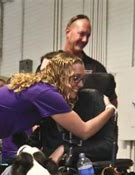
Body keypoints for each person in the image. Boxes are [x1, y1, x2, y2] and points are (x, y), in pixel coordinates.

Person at [38, 15, 118, 160]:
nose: (85, 39)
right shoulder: (49, 63)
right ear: (68, 31)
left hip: (86, 148)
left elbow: (110, 104)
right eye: (81, 33)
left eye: (88, 35)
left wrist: (110, 110)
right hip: (53, 143)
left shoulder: (97, 69)